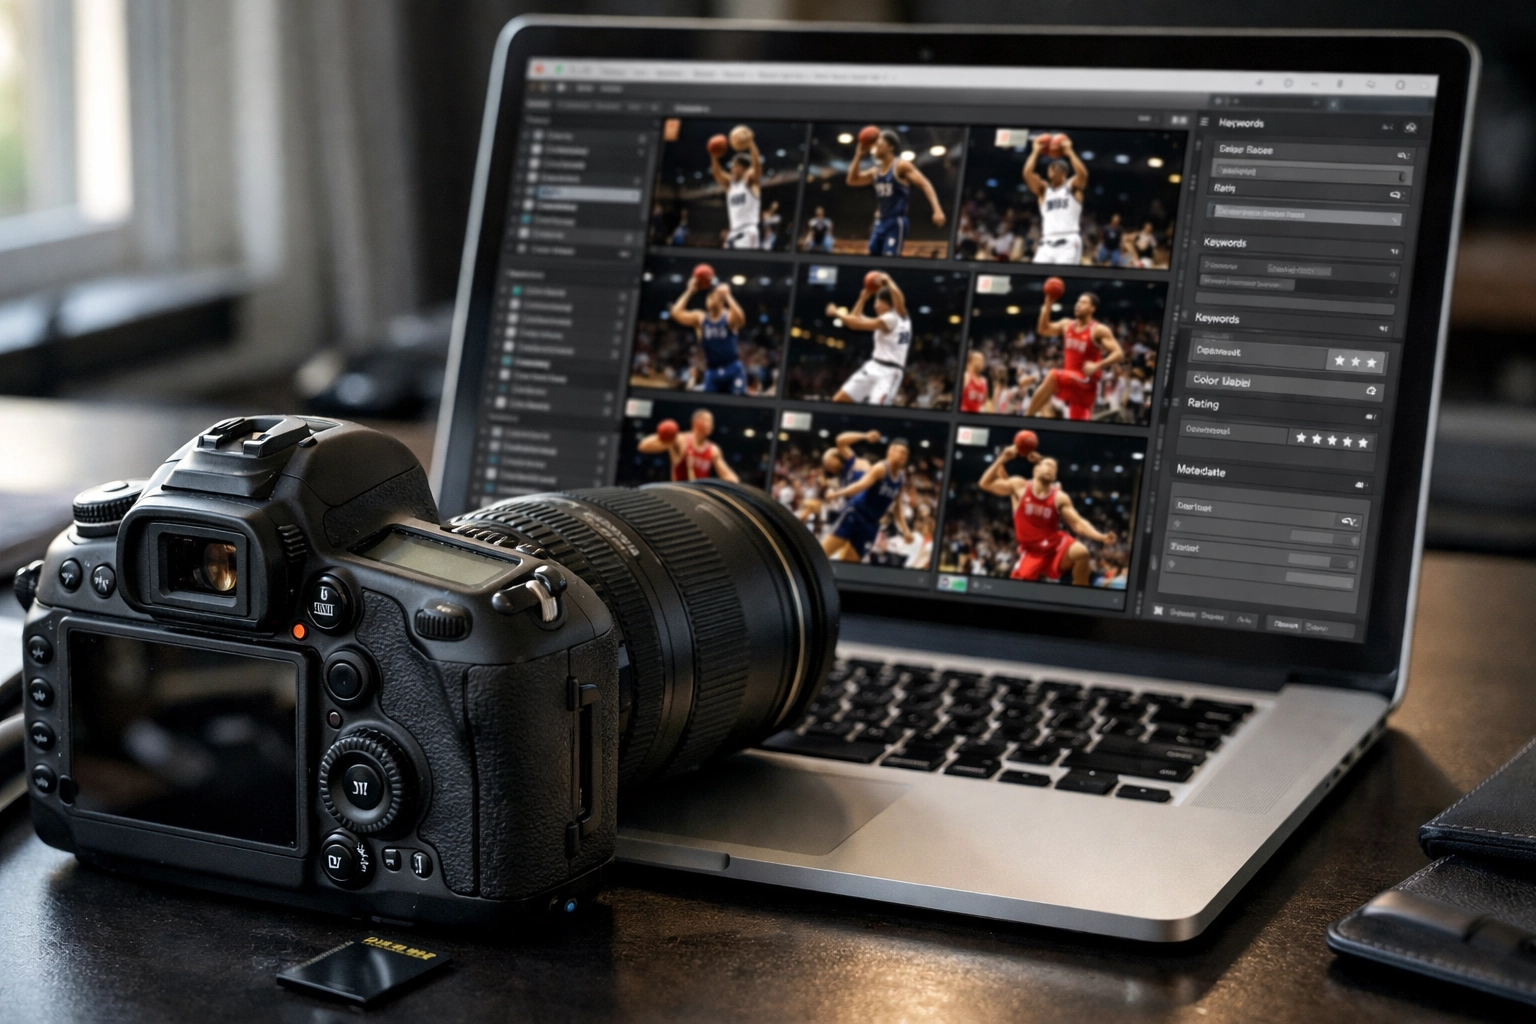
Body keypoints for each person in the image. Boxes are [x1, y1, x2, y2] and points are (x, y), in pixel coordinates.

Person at [979, 443, 1115, 586]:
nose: (1050, 468)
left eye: (1053, 468)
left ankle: (1081, 596)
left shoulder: (1060, 497)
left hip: (1054, 545)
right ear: (1035, 470)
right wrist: (1002, 458)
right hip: (1031, 551)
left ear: (1055, 476)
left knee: (1081, 552)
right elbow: (984, 484)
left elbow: (1078, 523)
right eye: (1047, 466)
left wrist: (1101, 536)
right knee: (1018, 587)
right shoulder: (1019, 486)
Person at [1025, 290, 1123, 421]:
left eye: (1083, 303)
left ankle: (1026, 419)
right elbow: (1043, 329)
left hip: (1086, 383)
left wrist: (1098, 365)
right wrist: (1047, 305)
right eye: (1078, 302)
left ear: (1092, 308)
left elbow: (1119, 353)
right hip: (1071, 382)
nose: (1078, 305)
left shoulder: (1098, 330)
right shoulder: (1067, 324)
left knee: (1053, 375)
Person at [846, 129, 946, 257]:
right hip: (879, 222)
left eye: (879, 144)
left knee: (889, 258)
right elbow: (851, 180)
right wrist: (858, 156)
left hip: (896, 222)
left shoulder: (901, 166)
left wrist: (937, 209)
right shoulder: (875, 171)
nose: (875, 147)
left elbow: (925, 184)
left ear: (890, 147)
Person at [822, 438, 912, 563]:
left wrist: (905, 530)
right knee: (821, 554)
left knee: (849, 565)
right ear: (891, 451)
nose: (903, 456)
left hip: (871, 524)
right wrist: (836, 494)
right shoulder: (880, 468)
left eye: (906, 454)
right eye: (901, 452)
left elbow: (897, 507)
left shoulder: (901, 478)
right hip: (856, 514)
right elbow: (859, 486)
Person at [828, 271, 912, 406]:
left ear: (888, 304)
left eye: (878, 302)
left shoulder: (891, 318)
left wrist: (837, 313)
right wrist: (862, 298)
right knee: (839, 400)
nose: (876, 306)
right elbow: (854, 321)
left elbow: (855, 324)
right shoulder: (901, 317)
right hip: (873, 365)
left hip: (889, 373)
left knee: (876, 410)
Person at [669, 277, 748, 395]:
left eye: (713, 296)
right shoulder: (700, 318)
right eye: (708, 297)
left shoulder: (728, 317)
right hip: (712, 370)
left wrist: (728, 296)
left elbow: (741, 320)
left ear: (721, 302)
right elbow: (675, 313)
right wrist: (689, 291)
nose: (709, 299)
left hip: (732, 368)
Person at [1023, 134, 1088, 265]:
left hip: (1068, 241)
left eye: (1054, 167)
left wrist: (1069, 152)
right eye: (1050, 168)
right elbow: (1027, 174)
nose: (1050, 169)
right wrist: (1035, 152)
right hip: (1046, 242)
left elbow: (1083, 175)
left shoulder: (1072, 187)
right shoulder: (1043, 190)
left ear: (1064, 173)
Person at [636, 407, 740, 483]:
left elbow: (727, 475)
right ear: (697, 422)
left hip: (698, 497)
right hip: (679, 495)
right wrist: (664, 434)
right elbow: (643, 446)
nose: (712, 425)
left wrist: (738, 488)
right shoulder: (681, 440)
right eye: (709, 421)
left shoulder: (713, 449)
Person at [710, 128, 762, 250]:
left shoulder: (750, 181)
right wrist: (714, 156)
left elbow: (757, 166)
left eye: (734, 166)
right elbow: (718, 175)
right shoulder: (731, 184)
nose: (732, 169)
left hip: (747, 230)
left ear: (743, 168)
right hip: (733, 231)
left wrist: (750, 144)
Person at [959, 349, 991, 413]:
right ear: (970, 361)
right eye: (978, 360)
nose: (981, 363)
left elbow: (984, 402)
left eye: (982, 360)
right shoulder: (966, 376)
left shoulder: (984, 381)